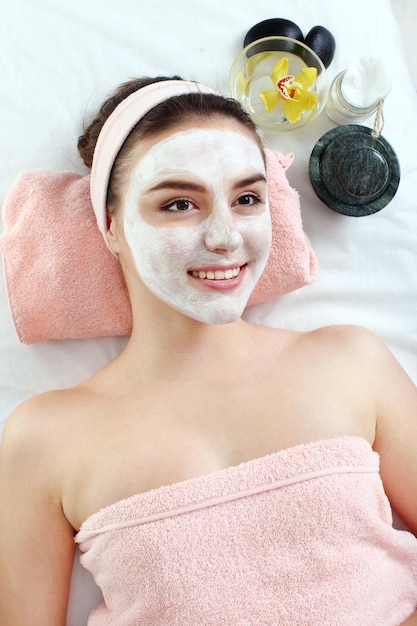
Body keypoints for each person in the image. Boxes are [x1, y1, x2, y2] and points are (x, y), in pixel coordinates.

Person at [0, 75, 417, 626]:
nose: (225, 236)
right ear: (111, 228)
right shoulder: (43, 438)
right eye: (178, 204)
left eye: (247, 198)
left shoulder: (352, 362)